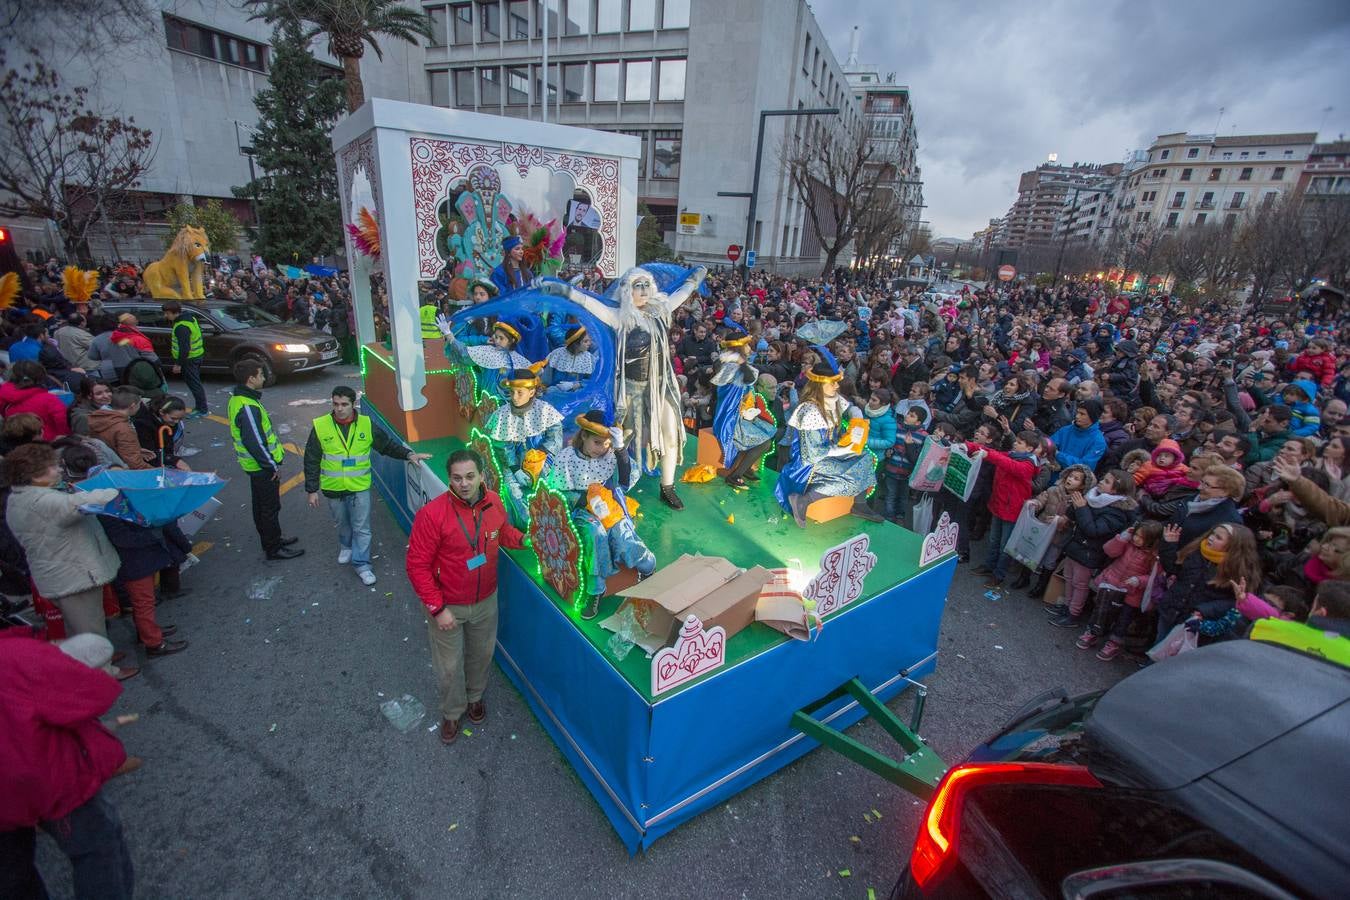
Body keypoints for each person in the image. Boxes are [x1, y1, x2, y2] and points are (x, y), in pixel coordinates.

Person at [541, 265, 709, 509]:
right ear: (627, 291)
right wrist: (564, 290)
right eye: (636, 286)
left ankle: (668, 486)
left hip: (663, 388)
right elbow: (588, 302)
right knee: (624, 437)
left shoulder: (661, 311)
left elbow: (681, 294)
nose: (642, 290)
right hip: (632, 390)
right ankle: (612, 481)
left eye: (645, 285)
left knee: (670, 434)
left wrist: (695, 278)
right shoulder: (619, 316)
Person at [0, 631, 137, 900]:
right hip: (50, 780)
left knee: (11, 875)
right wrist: (61, 655)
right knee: (97, 849)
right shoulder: (16, 656)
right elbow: (93, 692)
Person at [405, 450, 525, 744]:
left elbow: (501, 532)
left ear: (482, 476)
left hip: (485, 601)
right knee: (449, 666)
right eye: (457, 478)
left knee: (481, 655)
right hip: (449, 606)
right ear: (449, 480)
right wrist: (437, 609)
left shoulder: (494, 502)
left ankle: (475, 698)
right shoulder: (432, 515)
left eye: (470, 476)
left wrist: (524, 540)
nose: (464, 483)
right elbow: (416, 565)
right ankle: (452, 712)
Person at [2, 444, 135, 679]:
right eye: (52, 467)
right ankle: (103, 672)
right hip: (73, 573)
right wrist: (115, 488)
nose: (59, 470)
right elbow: (80, 504)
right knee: (89, 627)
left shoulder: (18, 497)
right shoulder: (43, 501)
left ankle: (91, 662)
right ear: (34, 475)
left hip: (57, 573)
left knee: (77, 626)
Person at [303, 386, 430, 586]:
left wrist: (408, 455)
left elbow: (386, 445)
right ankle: (346, 546)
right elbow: (311, 458)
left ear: (353, 404)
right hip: (333, 488)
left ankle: (362, 564)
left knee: (361, 527)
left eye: (344, 404)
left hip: (359, 486)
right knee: (342, 523)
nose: (339, 409)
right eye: (335, 404)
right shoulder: (320, 426)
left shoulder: (366, 424)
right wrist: (311, 490)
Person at [546, 411, 656, 619]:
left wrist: (620, 448)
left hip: (609, 505)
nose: (603, 448)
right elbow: (558, 493)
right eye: (598, 442)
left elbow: (624, 480)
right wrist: (587, 501)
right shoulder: (566, 457)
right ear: (584, 436)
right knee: (595, 534)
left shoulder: (610, 454)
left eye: (607, 444)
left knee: (621, 533)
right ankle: (596, 590)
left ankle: (648, 566)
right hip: (580, 510)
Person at [776, 349, 883, 528]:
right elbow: (813, 452)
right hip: (808, 462)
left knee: (865, 458)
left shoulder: (832, 398)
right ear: (821, 385)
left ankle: (860, 504)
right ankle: (804, 500)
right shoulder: (809, 410)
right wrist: (845, 450)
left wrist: (856, 416)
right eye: (833, 383)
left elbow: (849, 408)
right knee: (848, 475)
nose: (836, 387)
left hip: (828, 451)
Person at [229, 359, 302, 560]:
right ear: (251, 378)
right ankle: (273, 546)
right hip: (261, 467)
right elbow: (255, 441)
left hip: (256, 466)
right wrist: (271, 466)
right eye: (261, 374)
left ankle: (272, 539)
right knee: (268, 508)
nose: (263, 377)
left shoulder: (240, 399)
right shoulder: (247, 406)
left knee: (262, 506)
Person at [710, 325, 777, 488]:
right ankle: (735, 475)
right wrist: (738, 361)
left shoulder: (737, 364)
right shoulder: (731, 367)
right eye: (747, 345)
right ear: (739, 348)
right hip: (730, 419)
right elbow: (747, 378)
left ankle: (745, 467)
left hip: (739, 415)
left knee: (768, 432)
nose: (750, 348)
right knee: (765, 443)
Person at [0, 360, 71, 441]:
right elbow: (62, 422)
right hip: (47, 443)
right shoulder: (49, 399)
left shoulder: (3, 396)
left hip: (15, 443)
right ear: (40, 378)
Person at [161, 300, 208, 417]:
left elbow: (184, 348)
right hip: (196, 355)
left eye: (167, 313)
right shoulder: (189, 319)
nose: (165, 316)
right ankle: (202, 408)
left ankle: (202, 409)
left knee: (194, 384)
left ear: (174, 312)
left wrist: (178, 364)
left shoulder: (181, 327)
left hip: (189, 359)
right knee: (195, 383)